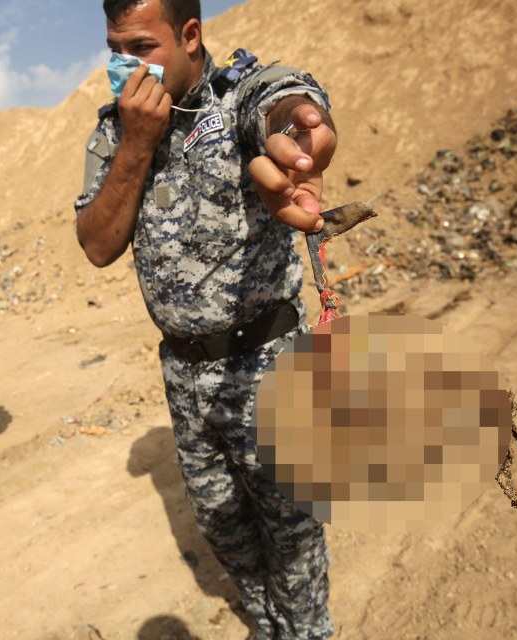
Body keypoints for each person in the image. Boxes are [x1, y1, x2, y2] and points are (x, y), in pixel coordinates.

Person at [74, 1, 338, 638]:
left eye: (139, 47)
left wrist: (299, 125)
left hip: (273, 368)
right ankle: (268, 626)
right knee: (226, 530)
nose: (122, 65)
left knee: (294, 541)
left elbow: (282, 103)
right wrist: (137, 142)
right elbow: (97, 244)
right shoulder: (114, 134)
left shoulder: (238, 98)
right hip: (187, 381)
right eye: (114, 48)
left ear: (189, 35)